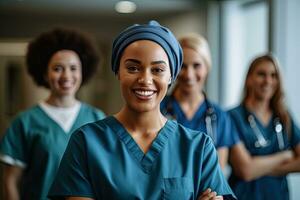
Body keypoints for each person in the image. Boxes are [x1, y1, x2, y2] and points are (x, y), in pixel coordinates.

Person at [48, 21, 236, 200]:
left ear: (171, 76)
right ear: (118, 72)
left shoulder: (199, 147)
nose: (145, 79)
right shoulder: (86, 142)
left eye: (157, 70)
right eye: (133, 68)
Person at [0, 27, 106, 200]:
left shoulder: (97, 119)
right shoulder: (25, 122)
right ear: (44, 73)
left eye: (73, 68)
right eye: (57, 68)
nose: (66, 76)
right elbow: (10, 181)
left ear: (83, 72)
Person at [161, 33, 239, 170]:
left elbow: (217, 172)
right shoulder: (158, 109)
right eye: (183, 66)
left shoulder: (219, 116)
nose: (189, 74)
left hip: (205, 190)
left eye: (196, 65)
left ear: (207, 68)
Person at [228, 54, 300, 200]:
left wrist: (258, 167)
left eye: (273, 75)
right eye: (261, 74)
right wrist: (285, 156)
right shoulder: (232, 117)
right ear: (249, 79)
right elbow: (245, 170)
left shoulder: (284, 117)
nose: (268, 81)